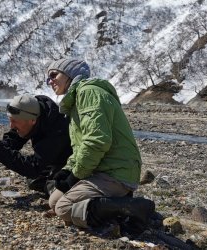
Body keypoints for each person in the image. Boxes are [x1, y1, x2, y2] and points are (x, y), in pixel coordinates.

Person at [46, 58, 155, 229]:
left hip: (116, 172)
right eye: (48, 79)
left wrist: (75, 176)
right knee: (54, 201)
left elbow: (97, 140)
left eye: (53, 75)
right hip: (100, 169)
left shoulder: (88, 93)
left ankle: (131, 208)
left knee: (63, 208)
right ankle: (116, 200)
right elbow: (81, 145)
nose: (50, 81)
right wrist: (68, 169)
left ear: (70, 74)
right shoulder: (76, 99)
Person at [0, 94, 72, 197]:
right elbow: (10, 143)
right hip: (50, 160)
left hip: (71, 164)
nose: (11, 126)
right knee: (34, 181)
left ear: (32, 121)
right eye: (10, 120)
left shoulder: (56, 129)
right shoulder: (32, 113)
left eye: (14, 121)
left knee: (48, 184)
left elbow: (33, 167)